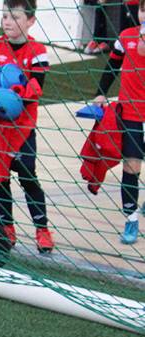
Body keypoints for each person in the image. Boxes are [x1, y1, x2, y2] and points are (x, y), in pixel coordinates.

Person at [0, 0, 54, 252]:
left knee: (27, 173)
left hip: (23, 127)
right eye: (5, 16)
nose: (7, 21)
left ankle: (42, 230)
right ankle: (6, 229)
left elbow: (37, 87)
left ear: (30, 21)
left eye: (14, 17)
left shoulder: (38, 50)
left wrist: (15, 94)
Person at [93, 0, 145, 244]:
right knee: (131, 166)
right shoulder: (126, 36)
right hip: (132, 113)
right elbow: (113, 64)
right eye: (143, 8)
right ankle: (131, 219)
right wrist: (101, 92)